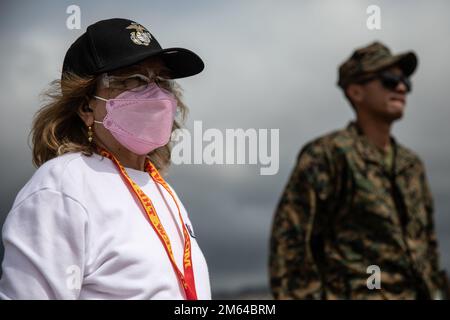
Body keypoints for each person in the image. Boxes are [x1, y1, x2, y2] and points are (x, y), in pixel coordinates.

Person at [0, 18, 211, 300]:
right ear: (86, 105)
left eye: (161, 80)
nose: (155, 92)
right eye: (134, 79)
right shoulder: (62, 187)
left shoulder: (162, 189)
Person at [269, 42, 449, 299]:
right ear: (356, 91)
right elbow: (290, 248)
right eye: (389, 80)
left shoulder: (412, 165)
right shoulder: (328, 156)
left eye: (405, 82)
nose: (401, 87)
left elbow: (428, 247)